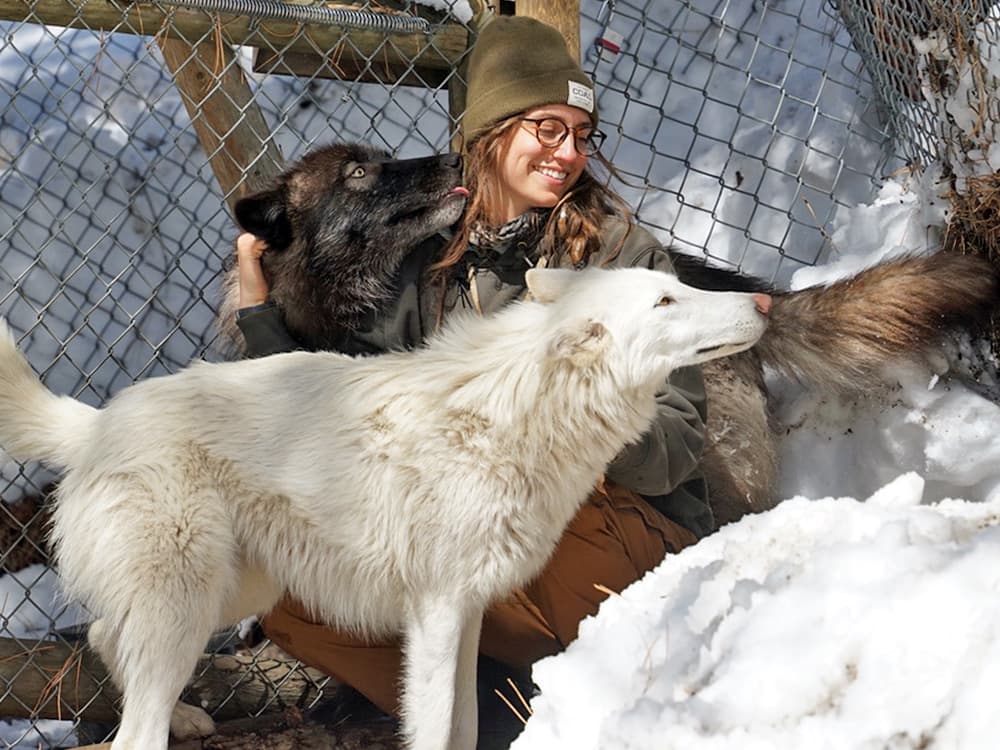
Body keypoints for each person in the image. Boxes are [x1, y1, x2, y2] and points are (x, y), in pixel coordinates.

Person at [233, 14, 710, 746]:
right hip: (477, 563)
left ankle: (602, 682)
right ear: (491, 131)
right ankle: (496, 714)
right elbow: (331, 417)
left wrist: (578, 403)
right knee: (290, 589)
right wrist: (263, 321)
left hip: (613, 555)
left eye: (582, 135)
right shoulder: (420, 263)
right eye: (547, 128)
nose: (568, 153)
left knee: (520, 490)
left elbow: (675, 446)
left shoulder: (622, 255)